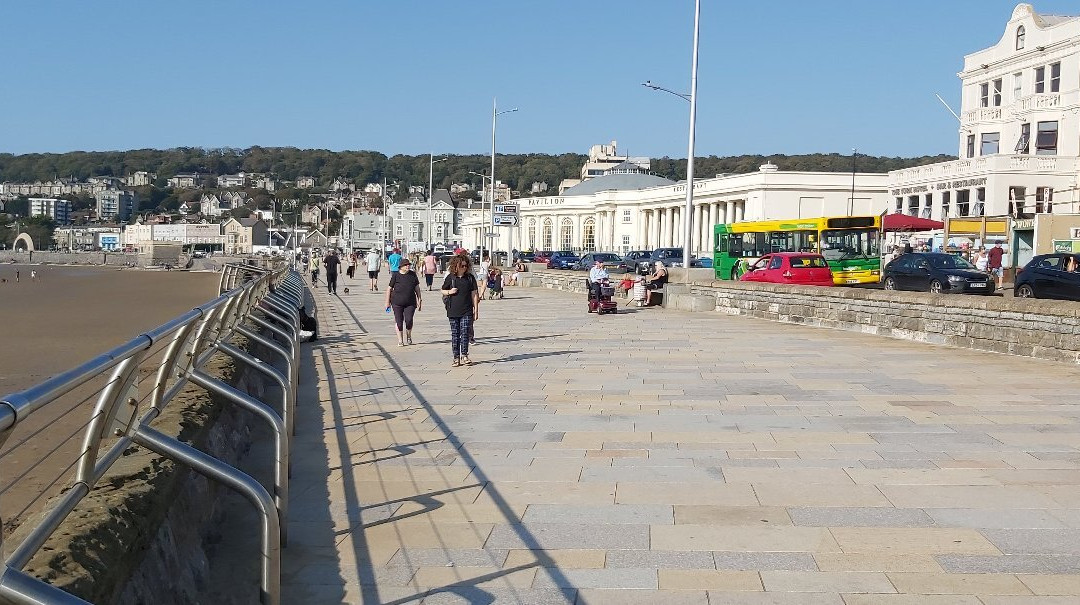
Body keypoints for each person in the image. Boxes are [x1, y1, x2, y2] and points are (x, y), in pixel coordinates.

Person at [440, 254, 479, 366]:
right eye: (462, 265)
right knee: (455, 334)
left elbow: (474, 295)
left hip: (466, 310)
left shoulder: (470, 278)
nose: (464, 268)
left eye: (466, 266)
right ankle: (456, 357)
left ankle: (465, 355)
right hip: (453, 310)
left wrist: (476, 310)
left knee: (465, 333)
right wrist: (449, 292)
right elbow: (442, 290)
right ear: (455, 266)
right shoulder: (450, 278)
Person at [386, 257, 422, 346]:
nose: (407, 266)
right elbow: (389, 288)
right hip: (396, 302)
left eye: (408, 265)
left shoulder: (412, 275)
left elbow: (417, 288)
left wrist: (419, 299)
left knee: (409, 320)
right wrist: (387, 302)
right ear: (401, 267)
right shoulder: (396, 275)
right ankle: (400, 340)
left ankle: (409, 335)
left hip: (410, 302)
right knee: (399, 321)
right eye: (405, 265)